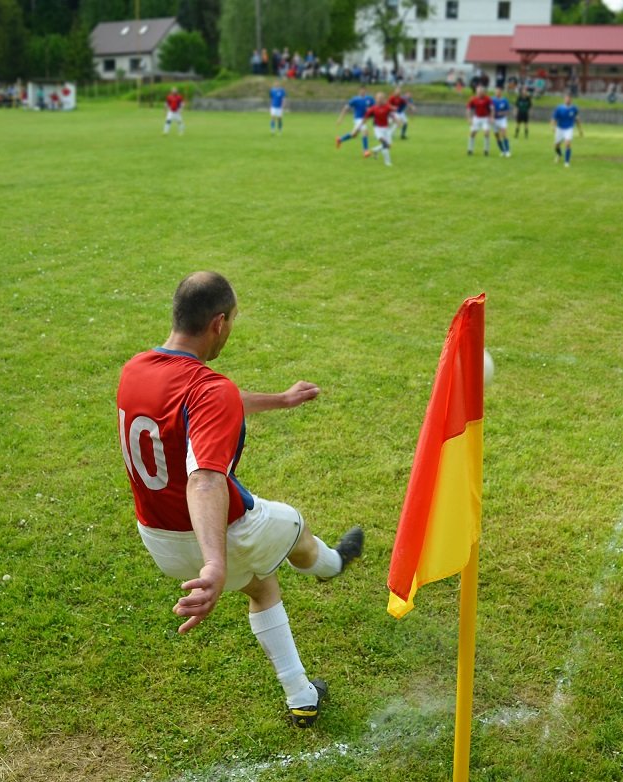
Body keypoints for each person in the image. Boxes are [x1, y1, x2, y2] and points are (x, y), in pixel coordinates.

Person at [116, 272, 364, 728]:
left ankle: (302, 696)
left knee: (260, 584)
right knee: (295, 528)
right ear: (218, 323)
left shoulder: (136, 370)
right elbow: (206, 480)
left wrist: (282, 400)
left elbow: (211, 402)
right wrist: (214, 564)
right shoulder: (211, 388)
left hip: (158, 539)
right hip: (220, 534)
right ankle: (332, 565)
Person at [335, 85, 374, 156]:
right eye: (361, 90)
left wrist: (371, 111)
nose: (362, 91)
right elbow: (346, 108)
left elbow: (374, 108)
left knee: (354, 135)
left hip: (365, 119)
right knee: (365, 131)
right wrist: (340, 118)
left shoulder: (370, 99)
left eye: (364, 90)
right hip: (358, 119)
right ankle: (365, 151)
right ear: (359, 91)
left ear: (366, 90)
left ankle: (340, 139)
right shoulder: (355, 99)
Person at [364, 91, 395, 166]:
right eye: (378, 98)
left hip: (386, 128)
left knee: (389, 145)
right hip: (378, 129)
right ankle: (387, 162)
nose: (380, 99)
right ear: (376, 99)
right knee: (385, 144)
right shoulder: (373, 108)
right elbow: (365, 118)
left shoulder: (387, 106)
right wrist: (363, 128)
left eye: (381, 98)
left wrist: (396, 119)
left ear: (384, 99)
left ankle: (375, 150)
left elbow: (391, 114)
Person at [551, 93, 583, 167]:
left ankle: (566, 162)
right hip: (559, 128)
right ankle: (559, 154)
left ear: (571, 100)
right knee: (556, 145)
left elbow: (577, 119)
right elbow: (554, 118)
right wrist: (553, 127)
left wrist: (580, 130)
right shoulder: (559, 108)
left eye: (569, 99)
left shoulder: (574, 109)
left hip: (569, 128)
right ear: (564, 99)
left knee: (567, 144)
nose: (567, 100)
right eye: (566, 99)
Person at [466, 84, 493, 156]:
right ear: (476, 92)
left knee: (486, 132)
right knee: (472, 133)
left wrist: (491, 117)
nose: (480, 93)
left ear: (484, 92)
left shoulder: (488, 99)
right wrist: (469, 118)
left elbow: (492, 109)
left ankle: (486, 150)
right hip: (476, 118)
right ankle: (470, 149)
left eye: (481, 91)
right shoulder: (473, 99)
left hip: (485, 118)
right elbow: (468, 109)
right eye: (478, 91)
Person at [490, 85, 512, 157]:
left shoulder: (504, 100)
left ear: (501, 92)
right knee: (497, 136)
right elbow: (489, 109)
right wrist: (490, 117)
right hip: (494, 120)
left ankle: (507, 151)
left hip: (502, 119)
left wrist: (502, 113)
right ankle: (502, 151)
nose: (497, 93)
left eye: (498, 91)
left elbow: (508, 111)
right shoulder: (492, 100)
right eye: (496, 91)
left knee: (504, 134)